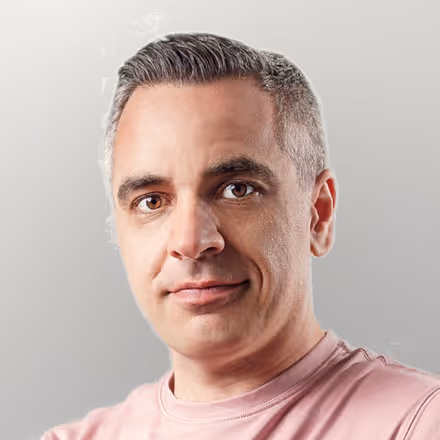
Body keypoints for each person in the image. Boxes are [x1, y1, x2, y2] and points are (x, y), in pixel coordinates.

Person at [41, 32, 440, 440]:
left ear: (318, 214)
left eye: (237, 190)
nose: (191, 242)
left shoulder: (417, 424)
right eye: (152, 201)